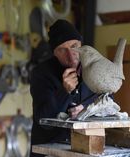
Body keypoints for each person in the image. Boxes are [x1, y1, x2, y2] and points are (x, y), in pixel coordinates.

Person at [29, 19, 98, 157]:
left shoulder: (93, 69)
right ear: (54, 53)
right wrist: (64, 92)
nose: (70, 54)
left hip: (84, 148)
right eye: (62, 49)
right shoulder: (41, 74)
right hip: (50, 150)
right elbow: (44, 120)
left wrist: (86, 107)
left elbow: (107, 99)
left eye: (74, 46)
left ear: (81, 44)